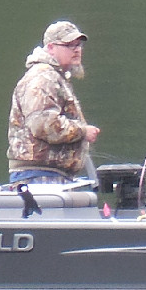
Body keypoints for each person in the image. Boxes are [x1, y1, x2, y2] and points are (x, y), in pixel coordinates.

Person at [8, 20, 101, 184]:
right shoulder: (43, 77)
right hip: (38, 176)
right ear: (51, 48)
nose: (76, 50)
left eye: (78, 45)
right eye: (69, 45)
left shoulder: (54, 77)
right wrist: (83, 131)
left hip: (49, 174)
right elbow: (44, 124)